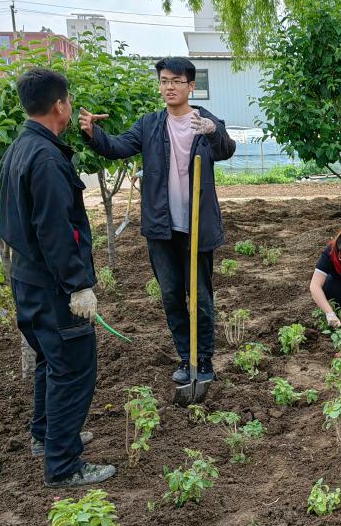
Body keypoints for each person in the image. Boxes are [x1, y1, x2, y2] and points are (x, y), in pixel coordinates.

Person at [79, 57, 236, 402]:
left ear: (191, 86)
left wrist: (213, 131)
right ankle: (185, 356)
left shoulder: (204, 120)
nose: (169, 87)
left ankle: (204, 359)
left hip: (197, 227)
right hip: (162, 228)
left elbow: (226, 150)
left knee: (200, 296)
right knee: (170, 295)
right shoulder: (150, 125)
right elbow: (117, 147)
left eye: (177, 81)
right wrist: (92, 133)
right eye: (164, 81)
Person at [0, 68, 114, 488]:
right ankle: (63, 464)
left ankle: (45, 436)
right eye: (69, 100)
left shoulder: (20, 147)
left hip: (27, 278)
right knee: (73, 368)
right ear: (59, 105)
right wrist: (77, 285)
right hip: (52, 285)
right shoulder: (46, 159)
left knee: (50, 360)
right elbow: (54, 229)